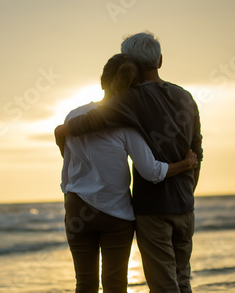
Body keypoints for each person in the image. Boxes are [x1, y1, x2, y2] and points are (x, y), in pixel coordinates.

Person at [56, 33, 203, 293]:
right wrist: (187, 189)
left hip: (151, 208)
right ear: (159, 61)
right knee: (181, 279)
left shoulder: (129, 101)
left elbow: (94, 120)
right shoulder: (186, 97)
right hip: (183, 204)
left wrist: (62, 130)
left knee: (161, 285)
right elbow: (197, 150)